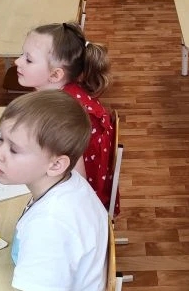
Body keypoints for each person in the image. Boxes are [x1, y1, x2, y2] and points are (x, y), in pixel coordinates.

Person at [0, 90, 107, 291]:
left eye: (14, 149)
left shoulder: (48, 227)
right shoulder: (70, 182)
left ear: (56, 165)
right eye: (0, 140)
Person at [13, 22, 117, 214]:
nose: (17, 62)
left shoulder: (63, 115)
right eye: (22, 54)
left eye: (28, 59)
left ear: (55, 75)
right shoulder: (62, 95)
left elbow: (76, 180)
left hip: (81, 204)